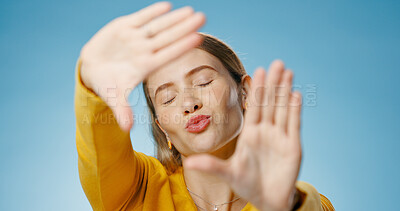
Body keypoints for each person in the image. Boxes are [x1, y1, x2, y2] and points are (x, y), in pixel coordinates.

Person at [74, 2, 335, 210]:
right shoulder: (138, 191)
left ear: (245, 92)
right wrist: (92, 82)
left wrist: (285, 206)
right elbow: (100, 151)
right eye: (168, 98)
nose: (189, 104)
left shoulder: (303, 202)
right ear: (162, 127)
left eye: (203, 81)